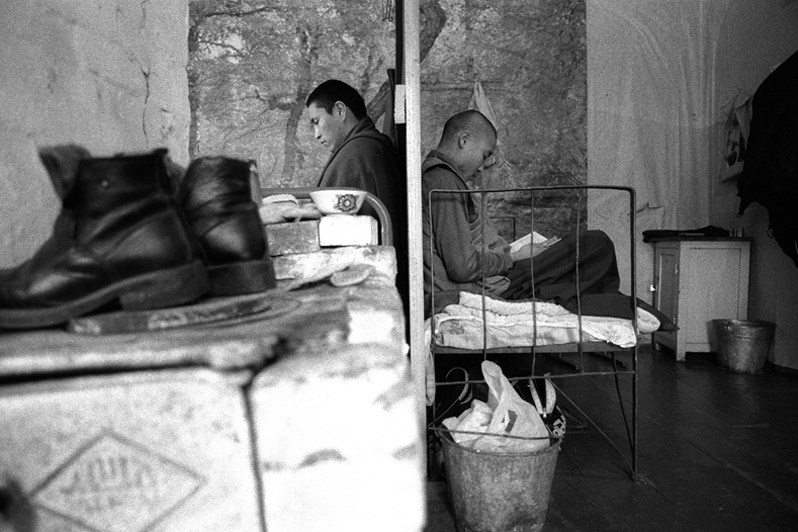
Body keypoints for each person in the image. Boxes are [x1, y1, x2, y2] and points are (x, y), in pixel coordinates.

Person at [422, 109, 670, 325]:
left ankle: (581, 296)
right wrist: (513, 257)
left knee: (569, 250)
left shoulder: (439, 178)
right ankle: (599, 303)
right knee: (597, 243)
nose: (484, 165)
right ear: (464, 140)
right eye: (485, 155)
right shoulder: (442, 180)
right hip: (493, 286)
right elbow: (462, 268)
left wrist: (514, 253)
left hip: (493, 277)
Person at [306, 79, 408, 314]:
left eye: (317, 122)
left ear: (340, 110)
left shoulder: (357, 154)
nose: (316, 134)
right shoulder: (369, 147)